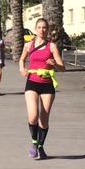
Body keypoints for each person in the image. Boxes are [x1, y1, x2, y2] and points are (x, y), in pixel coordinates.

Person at [18, 17, 64, 159]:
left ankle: (40, 146)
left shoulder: (52, 46)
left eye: (44, 28)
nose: (42, 30)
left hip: (47, 85)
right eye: (39, 27)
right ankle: (34, 142)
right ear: (35, 29)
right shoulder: (28, 45)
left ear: (47, 30)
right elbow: (21, 59)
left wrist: (54, 64)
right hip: (32, 82)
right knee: (33, 116)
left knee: (43, 120)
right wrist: (22, 69)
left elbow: (62, 68)